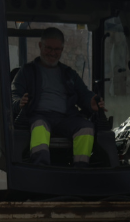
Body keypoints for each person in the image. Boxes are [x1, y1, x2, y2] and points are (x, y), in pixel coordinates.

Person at [11, 28, 105, 166]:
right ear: (40, 46)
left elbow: (84, 94)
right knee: (39, 127)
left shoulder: (69, 74)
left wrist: (91, 102)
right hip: (39, 115)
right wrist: (19, 103)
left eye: (57, 49)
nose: (53, 53)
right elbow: (14, 95)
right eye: (48, 48)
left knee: (86, 128)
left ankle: (81, 169)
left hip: (66, 118)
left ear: (62, 49)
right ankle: (40, 169)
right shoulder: (27, 71)